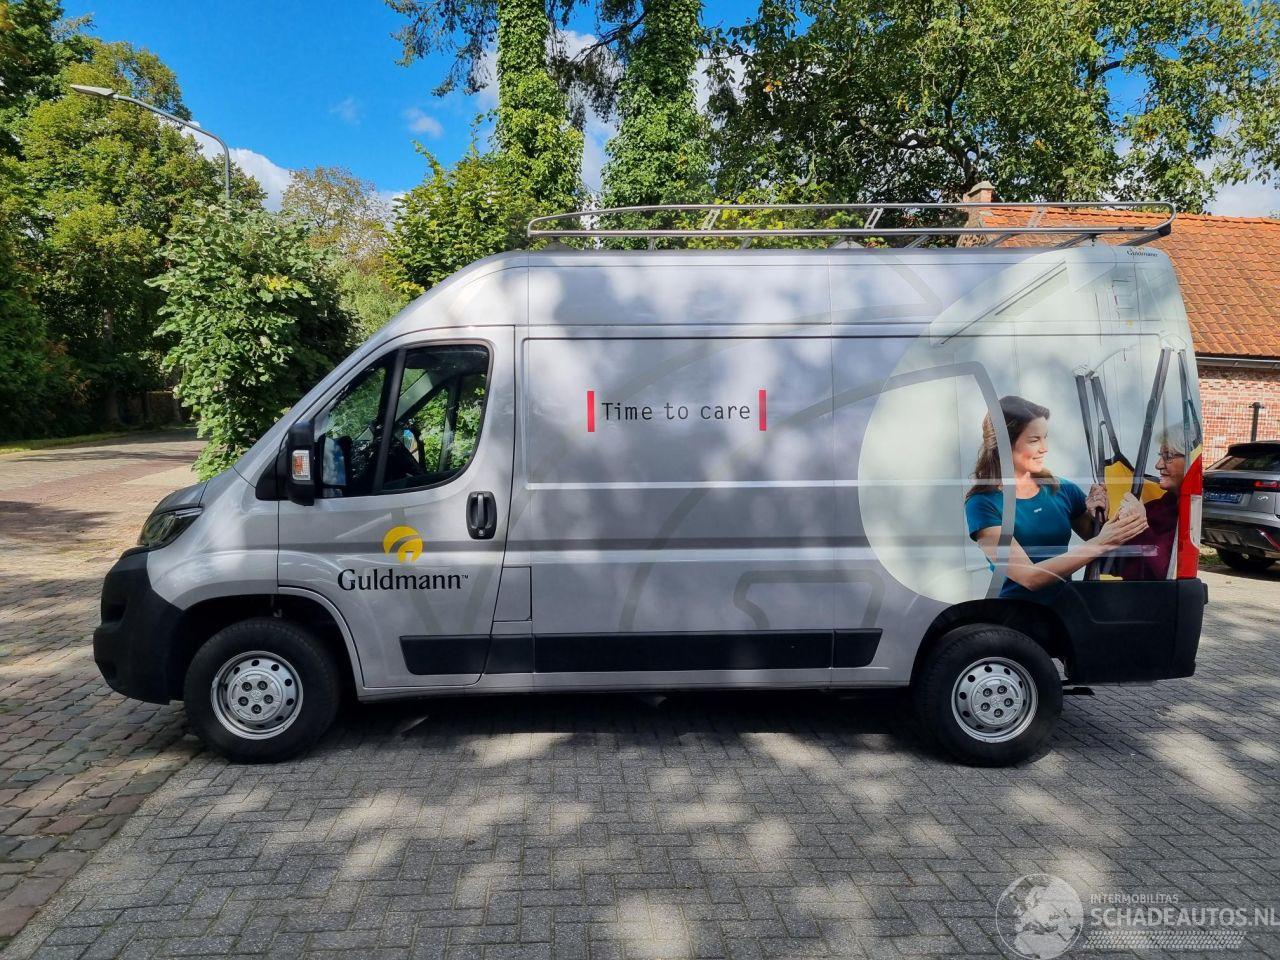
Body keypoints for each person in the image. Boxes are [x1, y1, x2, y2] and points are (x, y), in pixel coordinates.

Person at [965, 395, 1148, 598]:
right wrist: (1101, 542)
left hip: (1066, 608)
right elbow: (1029, 578)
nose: (1045, 448)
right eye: (1034, 440)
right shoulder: (982, 504)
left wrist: (1109, 515)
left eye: (1045, 437)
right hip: (1016, 613)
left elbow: (1103, 541)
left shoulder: (1061, 489)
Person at [1113, 426, 1186, 580]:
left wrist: (1141, 525)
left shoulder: (1194, 515)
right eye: (1161, 456)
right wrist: (1096, 518)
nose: (1158, 465)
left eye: (1168, 457)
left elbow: (1167, 573)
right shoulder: (1157, 508)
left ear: (1191, 461)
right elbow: (1115, 556)